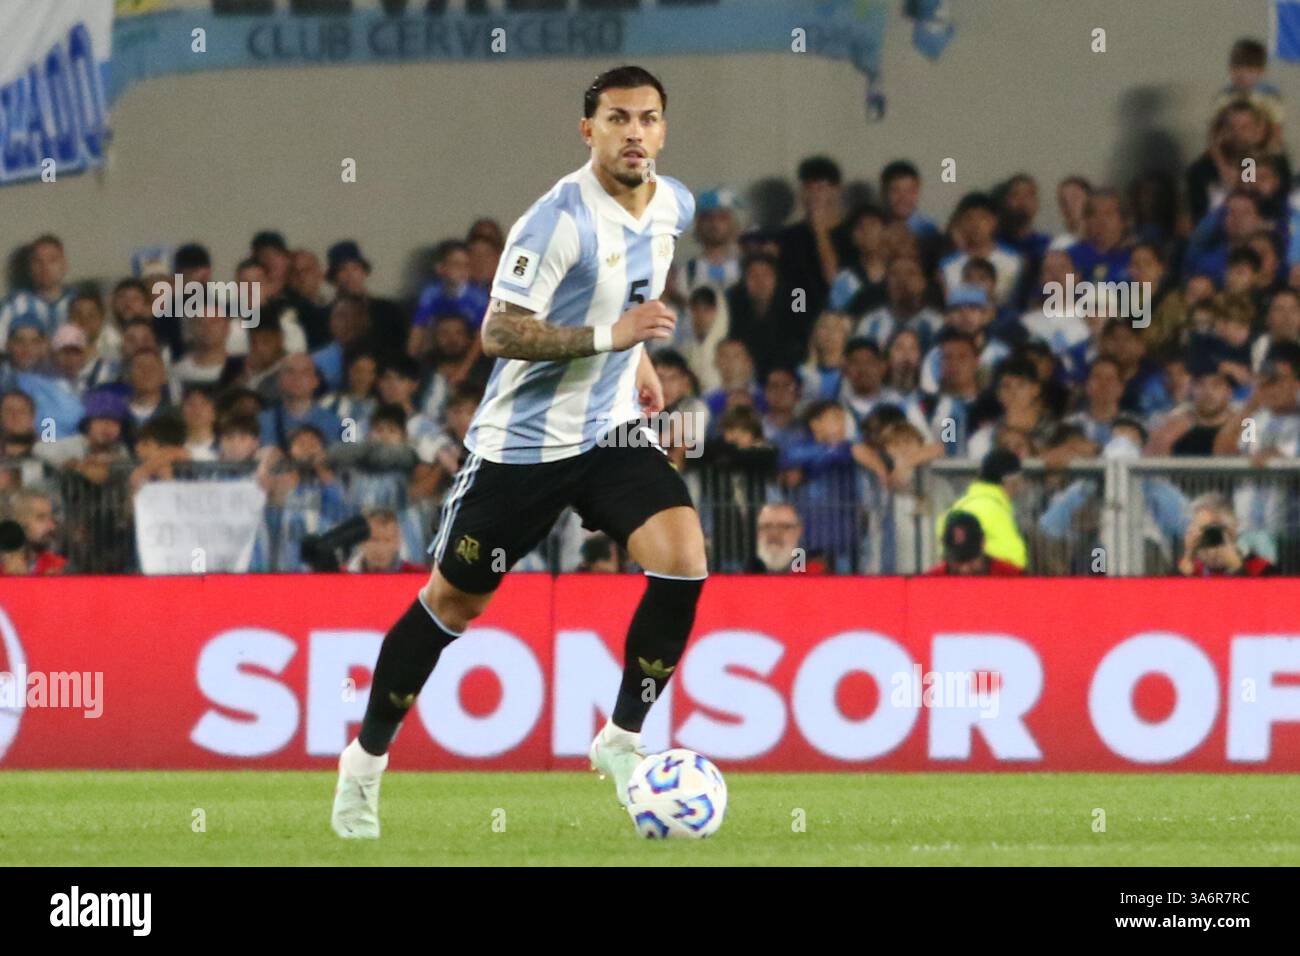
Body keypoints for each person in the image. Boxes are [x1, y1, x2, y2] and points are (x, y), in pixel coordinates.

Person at [331, 66, 707, 838]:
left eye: (648, 118)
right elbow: (498, 332)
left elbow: (632, 290)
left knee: (683, 562)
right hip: (523, 448)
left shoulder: (675, 204)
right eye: (616, 119)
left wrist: (634, 364)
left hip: (606, 433)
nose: (634, 132)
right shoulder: (557, 219)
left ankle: (621, 741)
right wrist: (614, 339)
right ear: (588, 129)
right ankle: (363, 765)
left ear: (664, 129)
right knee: (451, 605)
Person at [935, 448, 1028, 570]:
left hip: (951, 582)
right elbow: (1015, 560)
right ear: (1011, 482)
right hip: (988, 583)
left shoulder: (957, 507)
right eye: (1018, 482)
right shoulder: (995, 511)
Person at [926, 510, 1023, 576]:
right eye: (958, 561)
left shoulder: (1011, 578)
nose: (965, 569)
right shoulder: (930, 581)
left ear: (983, 542)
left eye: (970, 559)